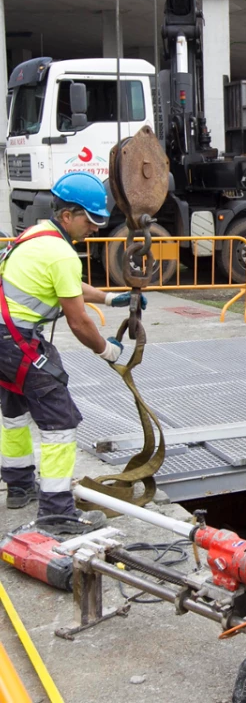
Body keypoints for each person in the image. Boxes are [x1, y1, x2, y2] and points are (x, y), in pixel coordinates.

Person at [0, 171, 145, 535]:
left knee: (15, 413)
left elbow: (65, 284)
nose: (95, 228)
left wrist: (111, 298)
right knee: (59, 422)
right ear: (68, 216)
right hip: (17, 342)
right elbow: (79, 322)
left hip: (4, 338)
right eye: (91, 221)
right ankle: (57, 514)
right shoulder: (62, 253)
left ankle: (18, 488)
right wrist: (107, 350)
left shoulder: (37, 235)